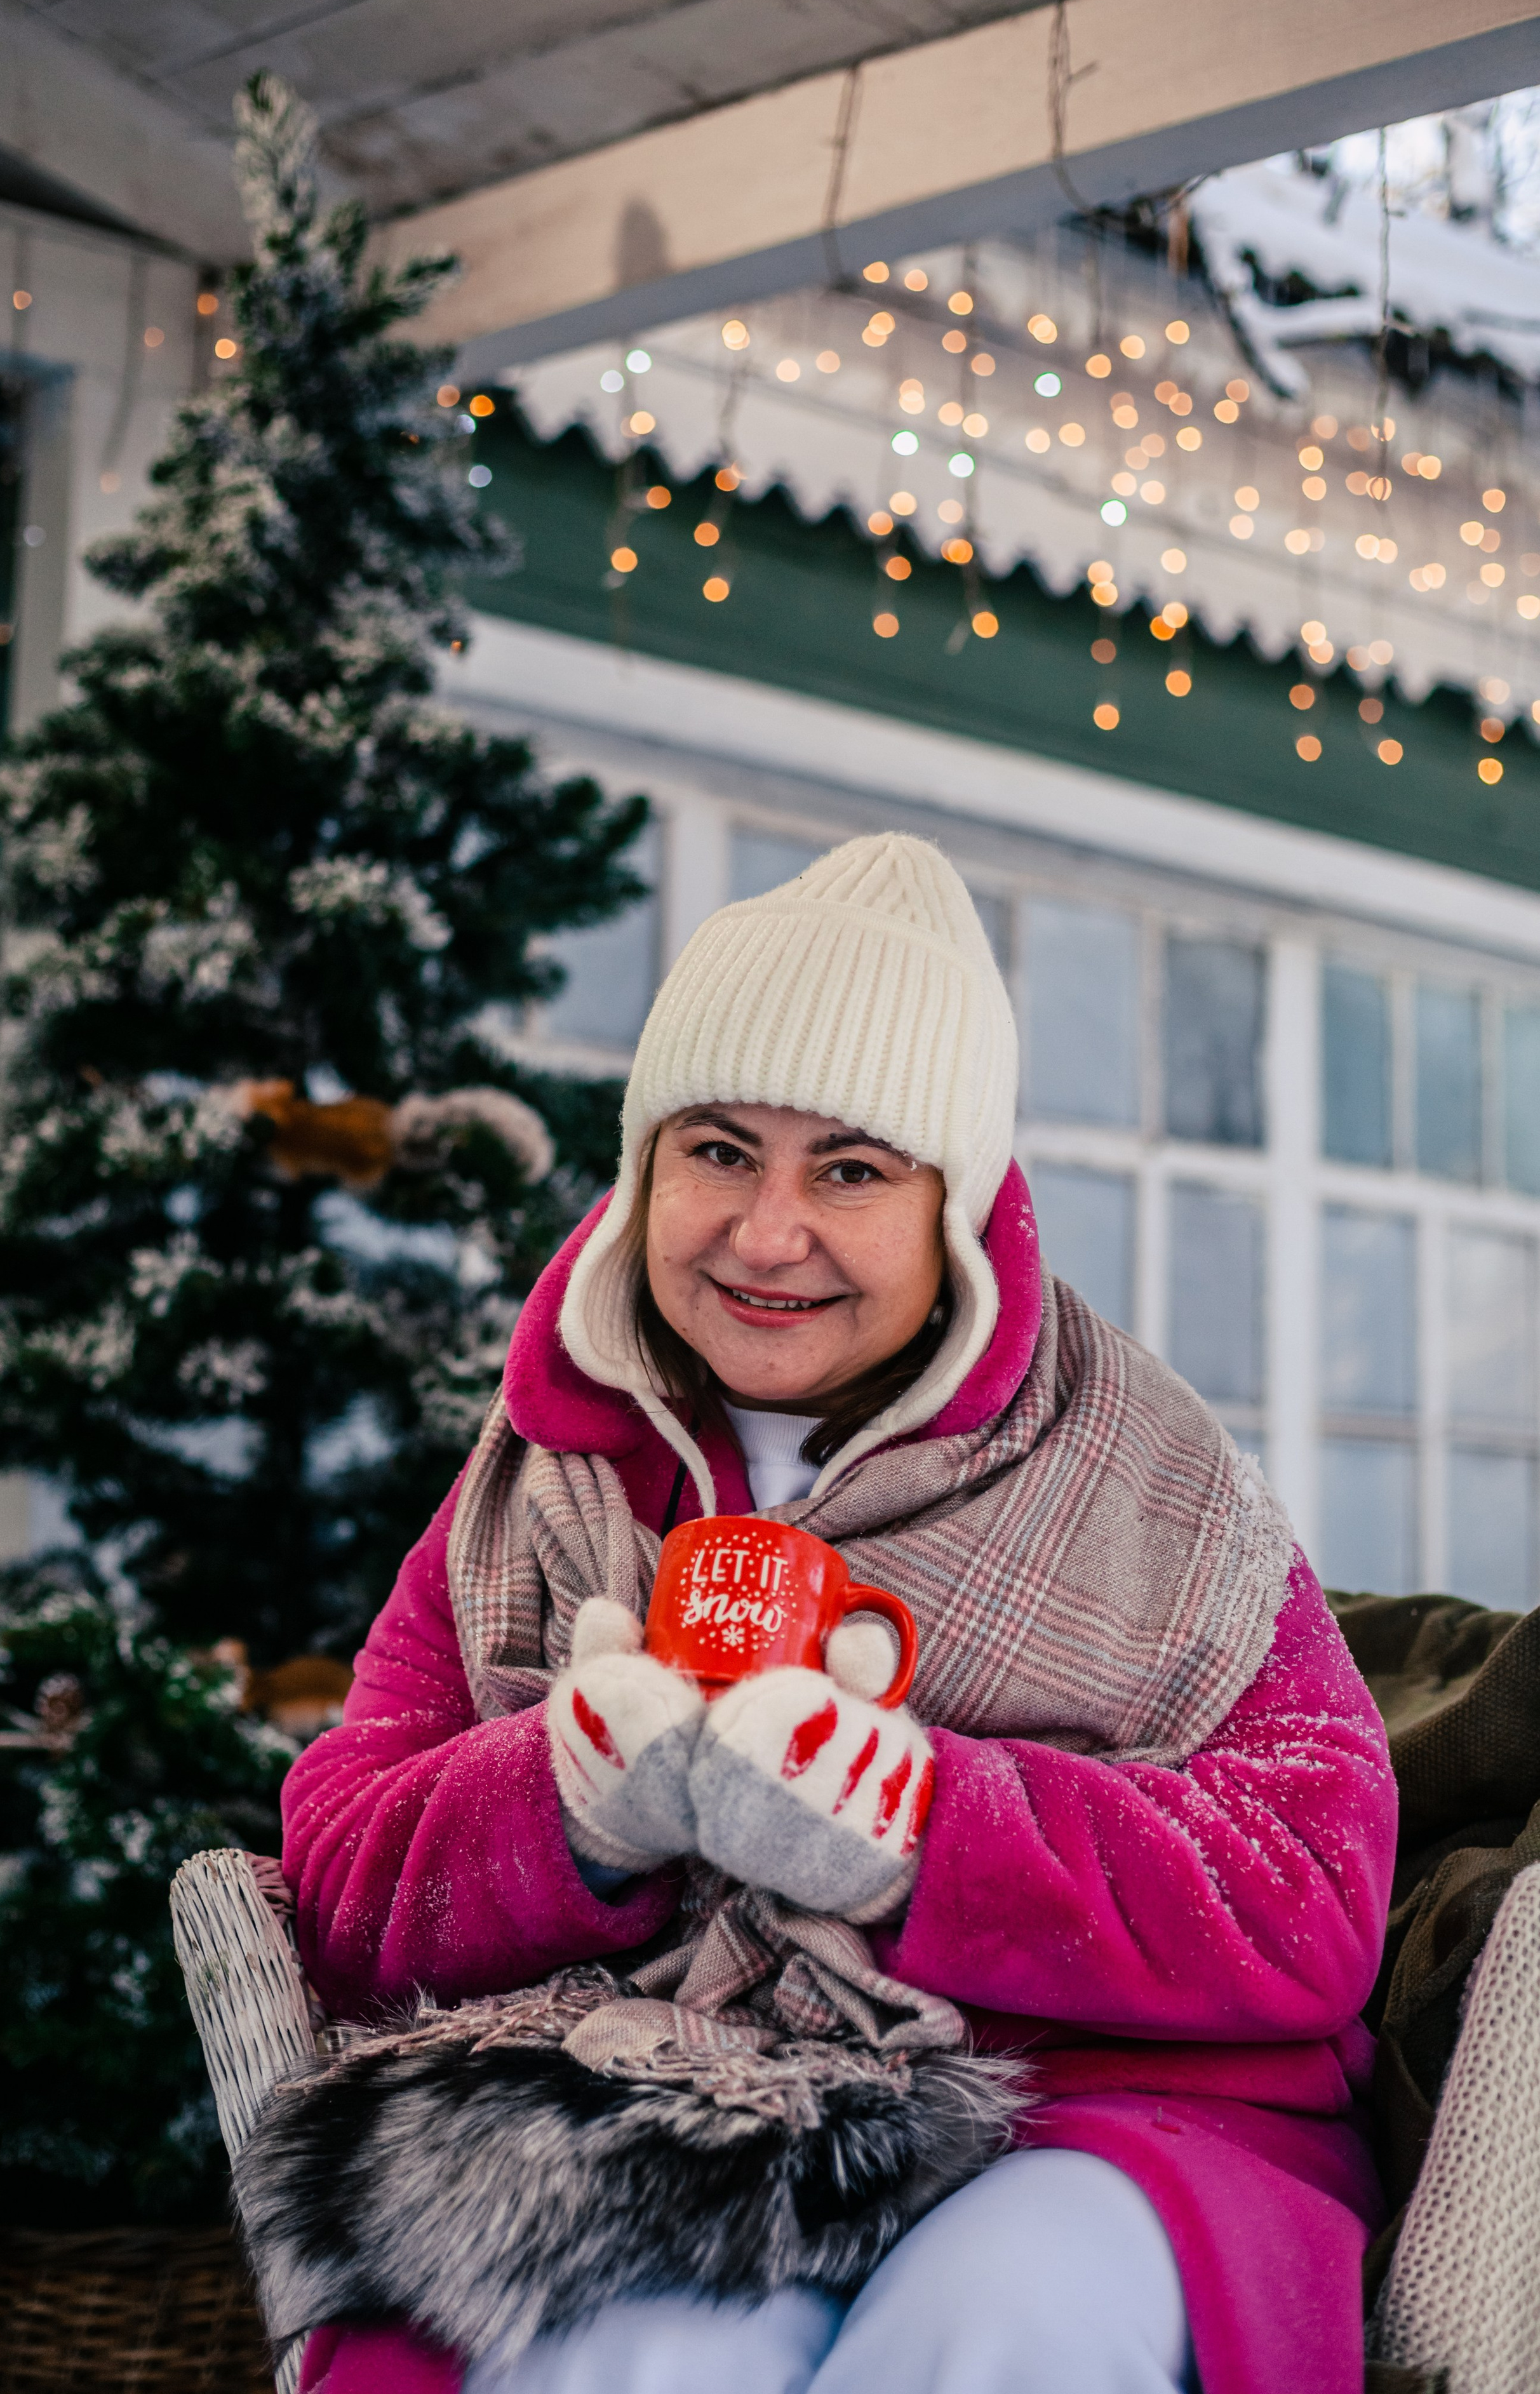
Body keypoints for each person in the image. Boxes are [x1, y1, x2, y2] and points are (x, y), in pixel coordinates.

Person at [279, 833, 1396, 2394]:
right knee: (633, 2362)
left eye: (850, 1169)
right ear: (643, 1164)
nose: (765, 1232)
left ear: (952, 1206)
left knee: (1002, 2331)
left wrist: (922, 1832)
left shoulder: (1143, 1470)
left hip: (1078, 2106)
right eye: (718, 1151)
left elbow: (1304, 1890)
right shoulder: (538, 1470)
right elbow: (338, 1883)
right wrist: (568, 1803)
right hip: (649, 2102)